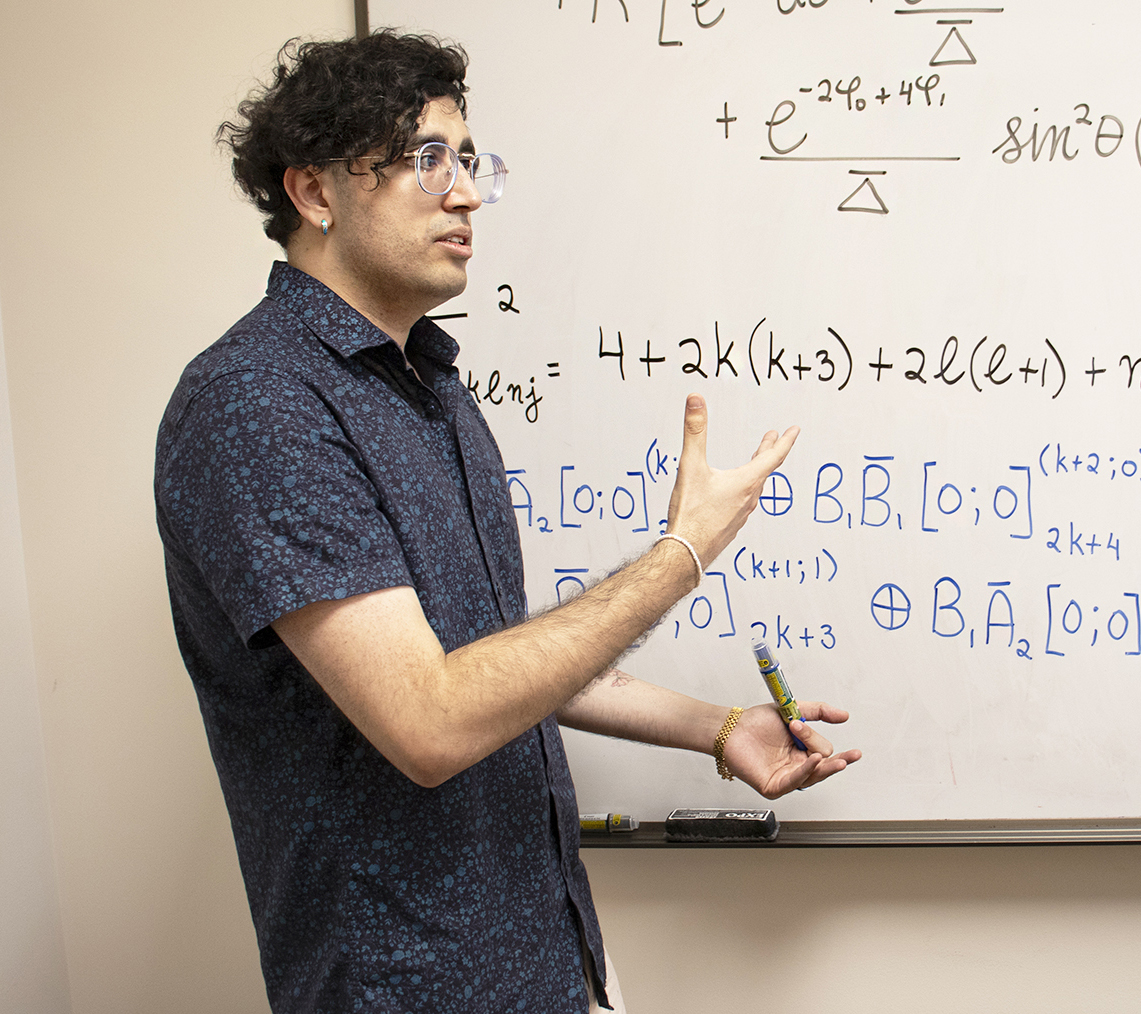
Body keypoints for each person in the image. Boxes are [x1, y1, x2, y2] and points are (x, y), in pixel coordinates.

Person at [154, 32, 860, 1014]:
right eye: (425, 159)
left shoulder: (431, 392)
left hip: (552, 958)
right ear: (314, 192)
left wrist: (719, 728)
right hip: (410, 985)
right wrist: (681, 555)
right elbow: (430, 717)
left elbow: (490, 660)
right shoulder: (257, 403)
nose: (466, 195)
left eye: (469, 159)